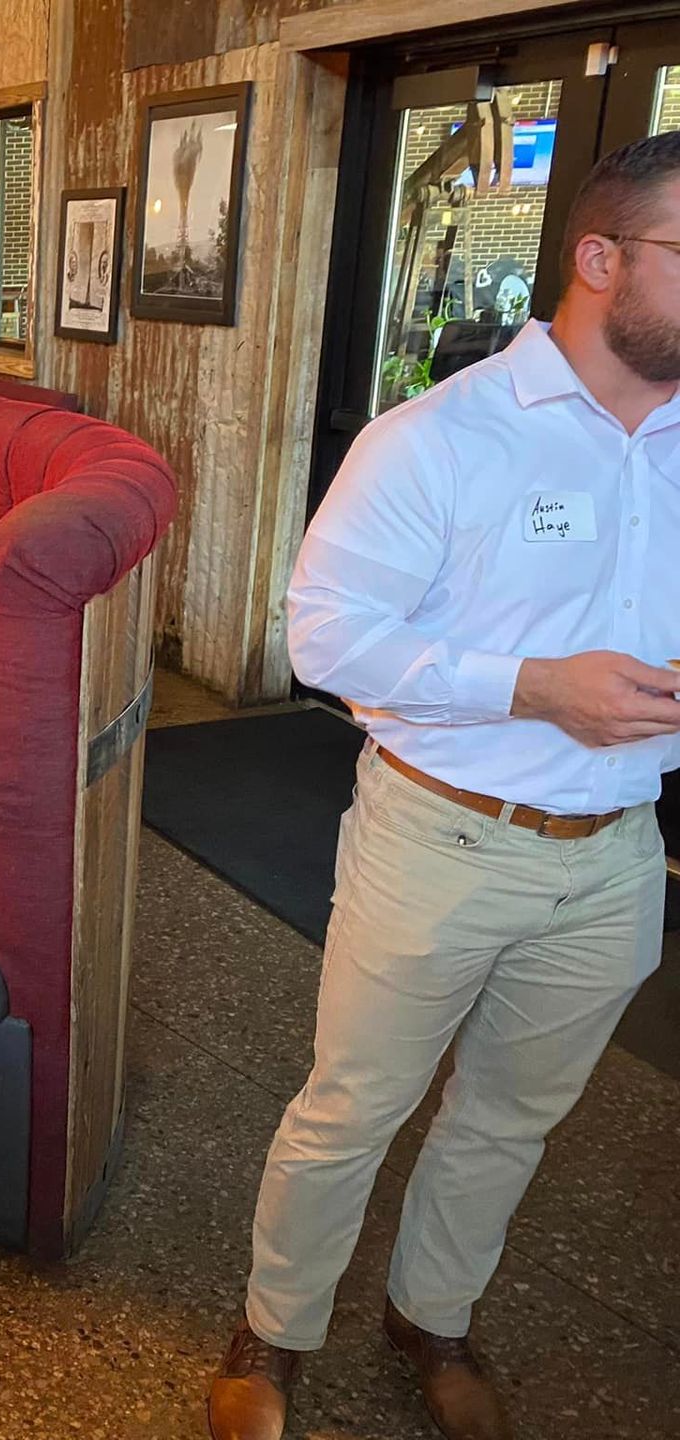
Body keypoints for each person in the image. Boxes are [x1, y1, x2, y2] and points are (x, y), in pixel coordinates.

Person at [208, 132, 680, 1440]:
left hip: (619, 857)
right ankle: (275, 1328)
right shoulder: (443, 441)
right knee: (352, 1109)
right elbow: (326, 639)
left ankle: (431, 1317)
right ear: (600, 258)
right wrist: (535, 685)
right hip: (442, 839)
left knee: (510, 1123)